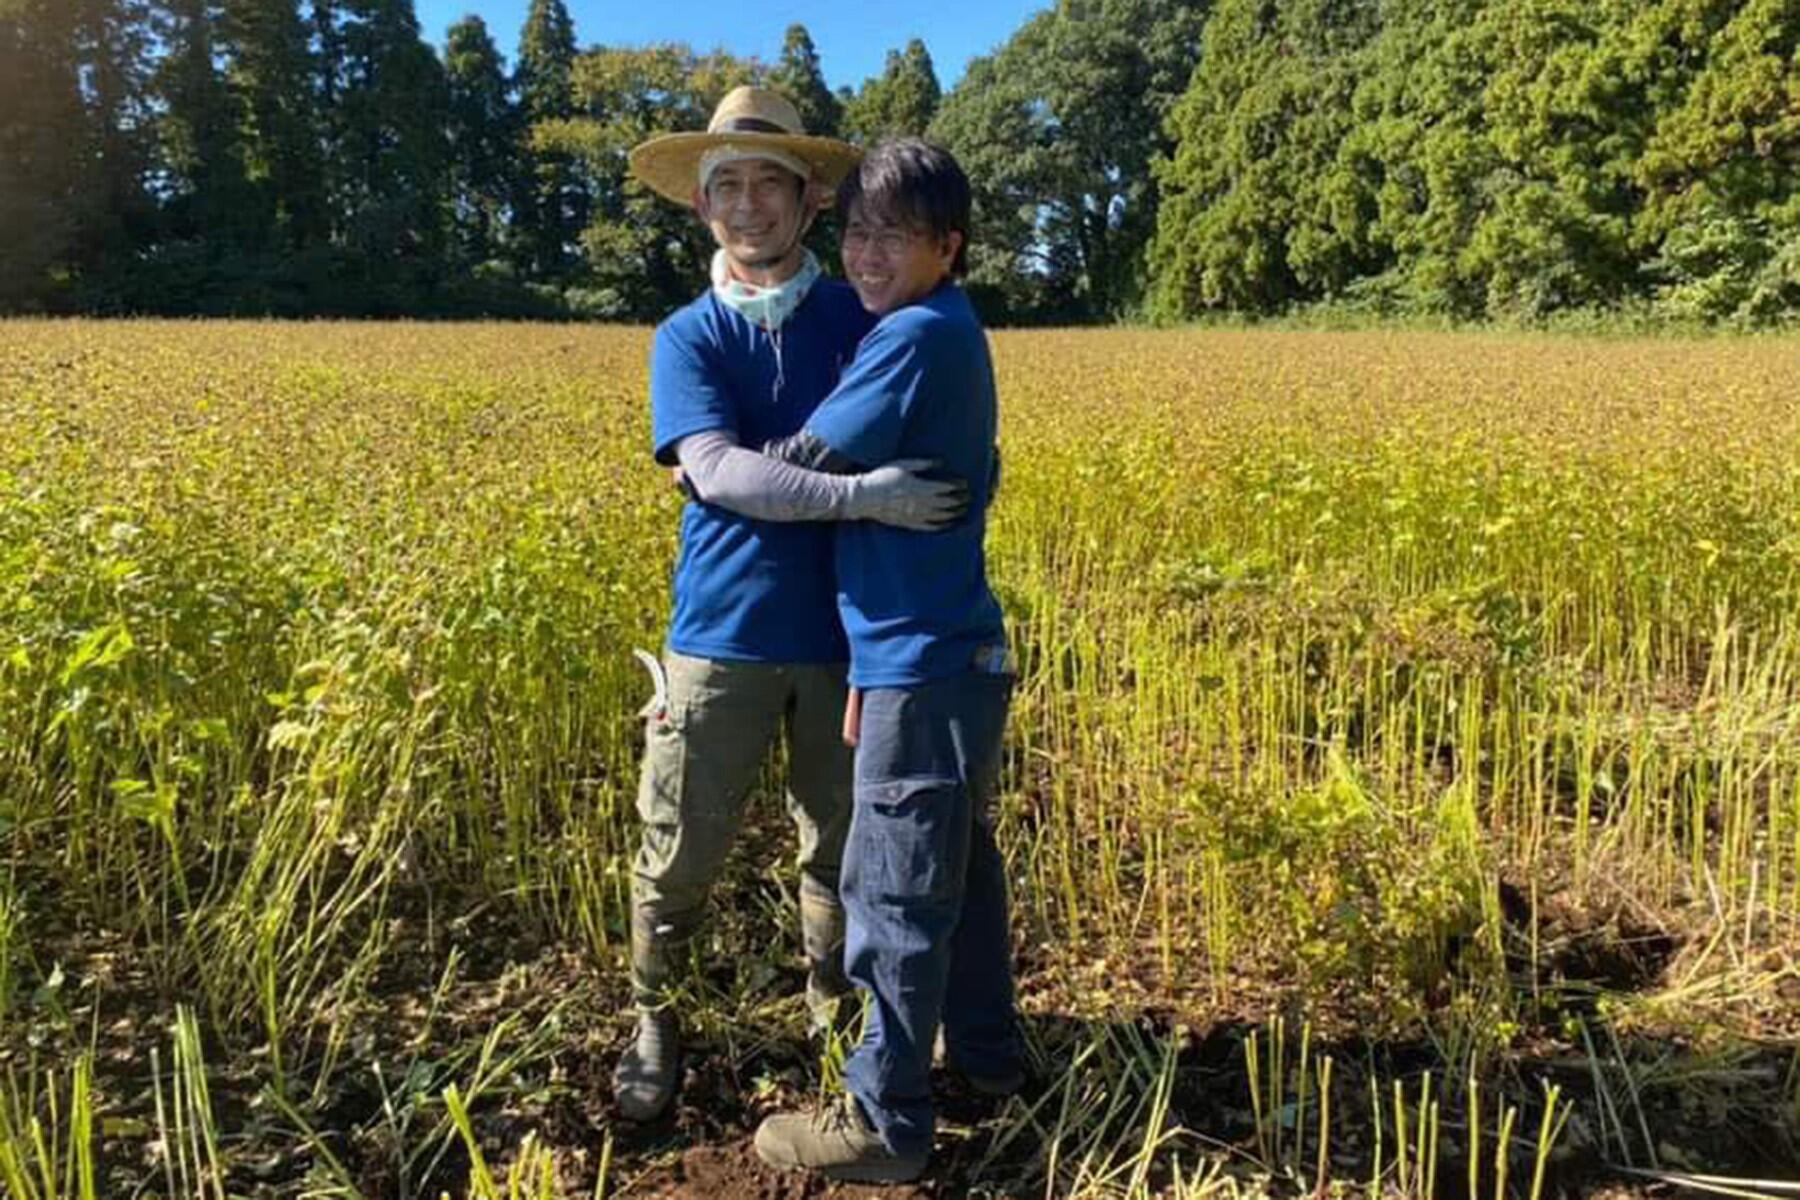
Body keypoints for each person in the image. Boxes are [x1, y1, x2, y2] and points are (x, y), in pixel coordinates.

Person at [615, 90, 970, 1123]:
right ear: (701, 206)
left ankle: (830, 1006)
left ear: (811, 199)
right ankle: (656, 1018)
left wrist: (784, 481)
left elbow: (912, 430)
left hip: (846, 633)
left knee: (842, 843)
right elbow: (716, 472)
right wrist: (861, 497)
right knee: (677, 843)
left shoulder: (866, 312)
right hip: (717, 634)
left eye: (769, 181)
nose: (749, 203)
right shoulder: (686, 338)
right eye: (726, 184)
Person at [746, 138, 1025, 1184]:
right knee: (960, 865)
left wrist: (712, 466)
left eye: (893, 236)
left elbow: (801, 465)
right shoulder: (946, 327)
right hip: (936, 653)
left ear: (946, 247)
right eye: (855, 231)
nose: (865, 254)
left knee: (894, 889)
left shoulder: (912, 335)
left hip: (926, 657)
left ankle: (884, 1123)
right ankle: (990, 1056)